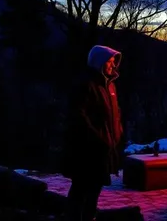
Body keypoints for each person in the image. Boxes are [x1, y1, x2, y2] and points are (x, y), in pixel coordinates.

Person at [61, 45, 124, 221]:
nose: (113, 65)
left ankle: (88, 217)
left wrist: (118, 131)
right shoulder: (86, 85)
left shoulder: (110, 86)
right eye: (109, 62)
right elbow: (79, 116)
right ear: (99, 62)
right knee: (81, 189)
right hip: (86, 151)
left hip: (103, 150)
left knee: (94, 190)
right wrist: (98, 137)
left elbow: (115, 112)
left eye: (113, 62)